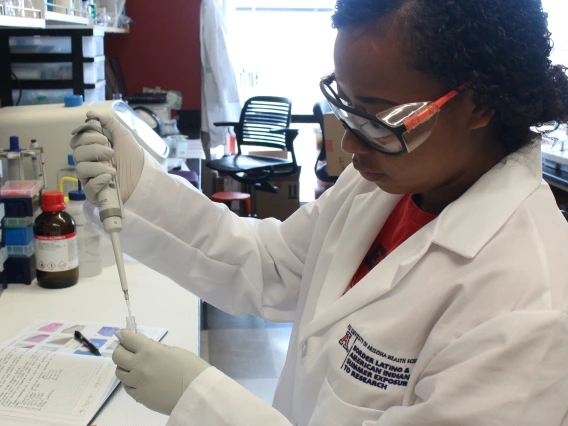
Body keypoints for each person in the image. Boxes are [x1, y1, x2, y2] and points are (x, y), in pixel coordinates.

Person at [71, 0, 568, 424]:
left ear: (479, 104)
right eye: (346, 105)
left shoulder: (531, 303)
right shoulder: (383, 184)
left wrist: (201, 402)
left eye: (378, 116)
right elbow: (270, 266)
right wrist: (138, 188)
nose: (351, 144)